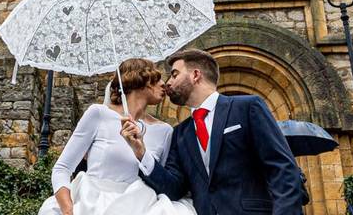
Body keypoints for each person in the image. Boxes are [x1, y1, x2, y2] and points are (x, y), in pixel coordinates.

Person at [120, 49, 305, 215]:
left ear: (195, 75)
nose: (168, 83)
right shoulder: (180, 134)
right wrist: (141, 152)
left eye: (174, 74)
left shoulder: (247, 107)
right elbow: (173, 189)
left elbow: (282, 168)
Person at [38, 58, 197, 215]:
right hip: (92, 202)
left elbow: (163, 183)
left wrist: (141, 152)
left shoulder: (165, 131)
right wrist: (68, 210)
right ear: (140, 80)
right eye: (156, 79)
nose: (164, 84)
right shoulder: (98, 114)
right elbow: (62, 169)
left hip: (142, 206)